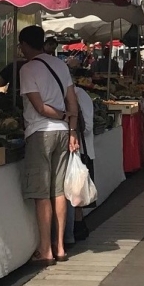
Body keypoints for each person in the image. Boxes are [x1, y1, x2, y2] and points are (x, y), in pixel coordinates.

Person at [17, 25, 80, 266]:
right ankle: (61, 247)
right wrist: (71, 129)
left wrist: (62, 118)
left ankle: (46, 249)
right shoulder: (60, 65)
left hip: (40, 132)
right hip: (63, 134)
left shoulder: (28, 69)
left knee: (42, 194)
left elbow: (39, 107)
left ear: (24, 44)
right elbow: (72, 101)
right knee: (59, 190)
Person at [64, 78, 95, 245]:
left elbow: (88, 126)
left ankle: (77, 227)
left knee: (77, 191)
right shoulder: (73, 95)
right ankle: (78, 226)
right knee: (74, 192)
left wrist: (72, 132)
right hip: (75, 149)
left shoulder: (80, 95)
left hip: (80, 150)